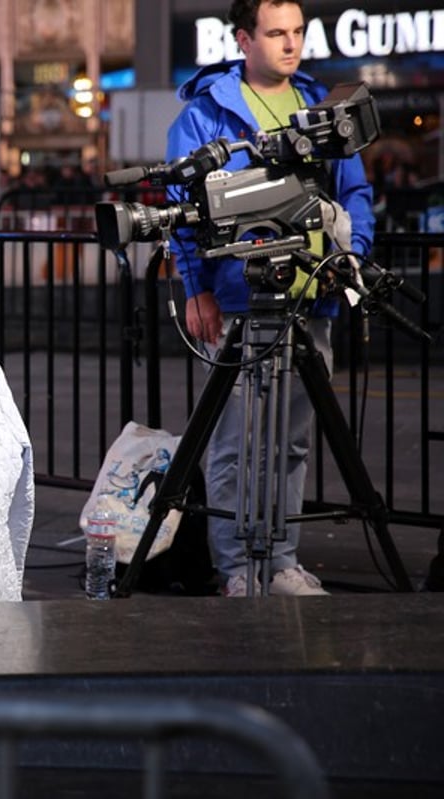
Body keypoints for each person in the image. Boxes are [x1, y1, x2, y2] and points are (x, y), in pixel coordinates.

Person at [166, 0, 374, 597]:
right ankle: (236, 569)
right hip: (236, 298)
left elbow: (355, 191)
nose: (291, 44)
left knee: (291, 441)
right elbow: (184, 209)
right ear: (243, 38)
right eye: (276, 32)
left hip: (316, 294)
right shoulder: (207, 111)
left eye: (298, 32)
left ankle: (281, 561)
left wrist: (350, 250)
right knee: (236, 440)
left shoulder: (319, 105)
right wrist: (196, 287)